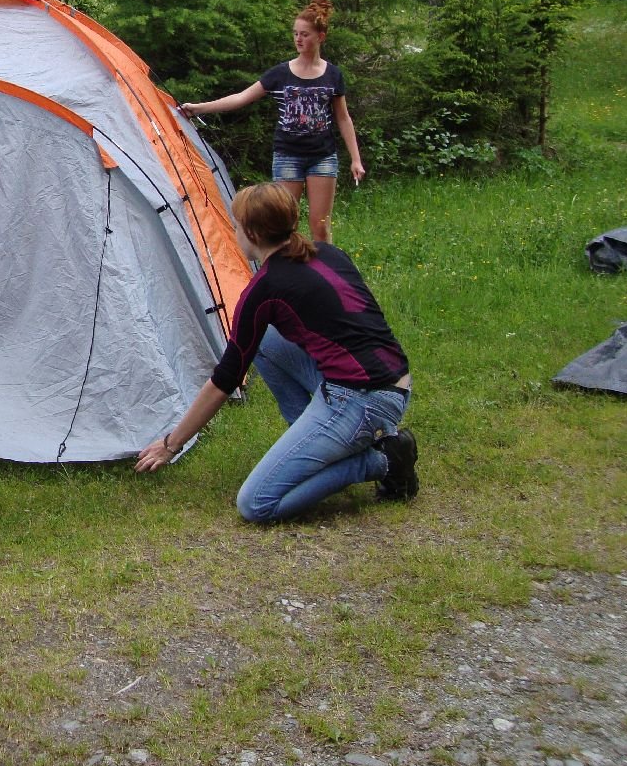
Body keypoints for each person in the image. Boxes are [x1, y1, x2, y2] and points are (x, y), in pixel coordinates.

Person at [135, 182, 418, 523]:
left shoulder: (265, 289)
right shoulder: (328, 253)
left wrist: (172, 442)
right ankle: (318, 445)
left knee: (256, 503)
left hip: (359, 400)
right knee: (265, 341)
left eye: (237, 224)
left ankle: (383, 460)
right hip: (395, 383)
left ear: (252, 233)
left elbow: (225, 379)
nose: (235, 230)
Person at [179, 0, 364, 243]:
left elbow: (343, 118)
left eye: (305, 34)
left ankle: (325, 276)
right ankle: (290, 276)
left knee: (320, 227)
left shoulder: (333, 75)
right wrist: (198, 108)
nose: (298, 39)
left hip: (322, 157)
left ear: (321, 37)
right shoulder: (280, 74)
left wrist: (355, 159)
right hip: (287, 156)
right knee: (285, 225)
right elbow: (241, 98)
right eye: (296, 33)